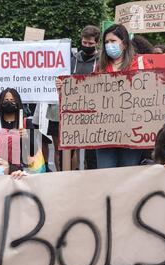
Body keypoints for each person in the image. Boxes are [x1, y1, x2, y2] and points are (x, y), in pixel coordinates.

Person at [95, 24, 159, 169]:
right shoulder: (100, 66)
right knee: (105, 173)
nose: (109, 45)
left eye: (113, 41)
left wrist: (164, 80)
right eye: (106, 42)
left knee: (128, 173)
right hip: (105, 132)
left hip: (132, 131)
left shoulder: (140, 64)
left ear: (123, 43)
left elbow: (153, 89)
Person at [53, 25, 101, 170]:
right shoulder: (72, 60)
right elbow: (63, 78)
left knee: (92, 153)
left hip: (94, 112)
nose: (87, 46)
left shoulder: (101, 61)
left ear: (96, 43)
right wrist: (60, 84)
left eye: (90, 44)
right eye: (84, 43)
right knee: (68, 151)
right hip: (73, 111)